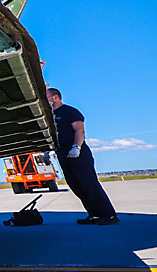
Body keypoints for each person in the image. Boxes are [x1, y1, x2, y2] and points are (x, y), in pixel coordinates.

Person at [46, 88, 119, 225]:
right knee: (76, 186)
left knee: (89, 184)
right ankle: (94, 214)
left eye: (48, 96)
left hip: (77, 153)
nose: (46, 99)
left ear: (55, 97)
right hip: (62, 154)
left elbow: (79, 130)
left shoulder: (69, 111)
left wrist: (76, 147)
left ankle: (109, 215)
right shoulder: (50, 116)